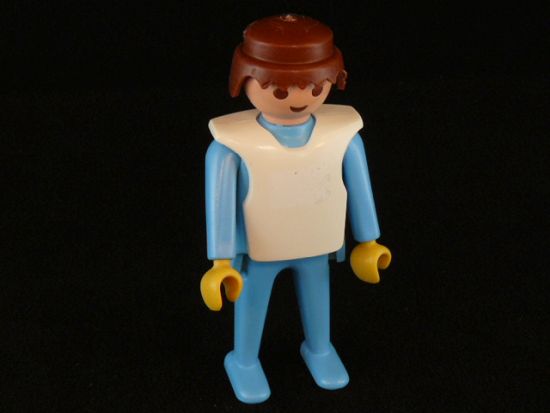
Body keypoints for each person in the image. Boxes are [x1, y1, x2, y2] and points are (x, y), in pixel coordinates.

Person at [201, 14, 391, 404]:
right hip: (260, 247)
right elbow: (219, 202)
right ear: (244, 80)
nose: (300, 98)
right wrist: (220, 261)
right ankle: (245, 359)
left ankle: (319, 348)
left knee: (319, 297)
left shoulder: (343, 135)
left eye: (316, 87)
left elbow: (360, 188)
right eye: (280, 90)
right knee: (253, 301)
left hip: (316, 239)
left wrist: (369, 240)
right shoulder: (230, 146)